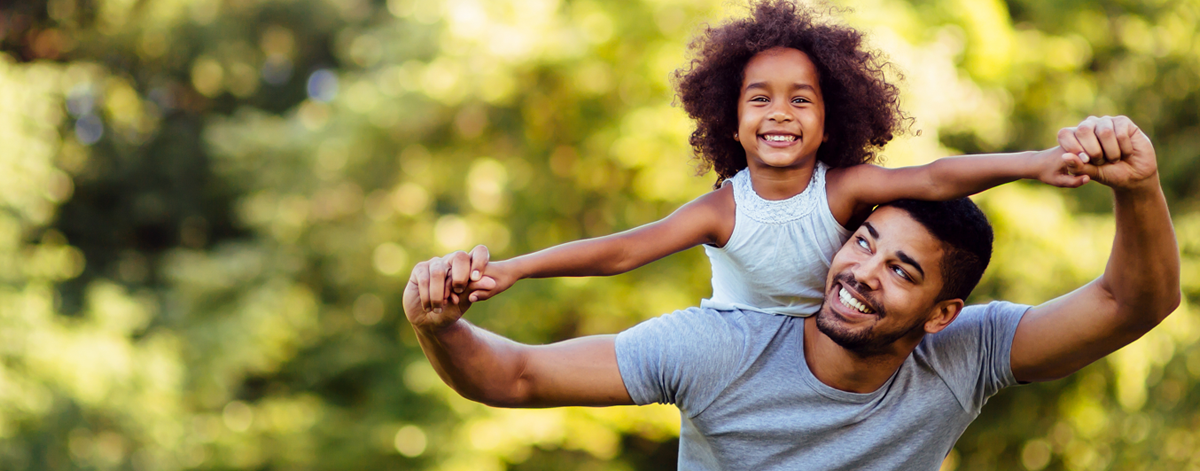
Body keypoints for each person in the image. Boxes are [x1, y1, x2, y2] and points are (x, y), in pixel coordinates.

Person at [403, 115, 1180, 470]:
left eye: (903, 271)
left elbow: (1131, 304)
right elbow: (515, 375)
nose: (863, 272)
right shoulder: (719, 347)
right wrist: (439, 325)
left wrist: (1138, 186)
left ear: (943, 314)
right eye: (865, 243)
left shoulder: (966, 351)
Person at [432, 0, 1098, 320]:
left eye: (801, 99)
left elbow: (935, 176)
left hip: (829, 350)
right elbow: (622, 252)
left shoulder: (841, 189)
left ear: (832, 115)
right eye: (760, 99)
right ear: (731, 116)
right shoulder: (724, 207)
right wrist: (515, 268)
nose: (780, 113)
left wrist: (1036, 161)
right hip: (733, 351)